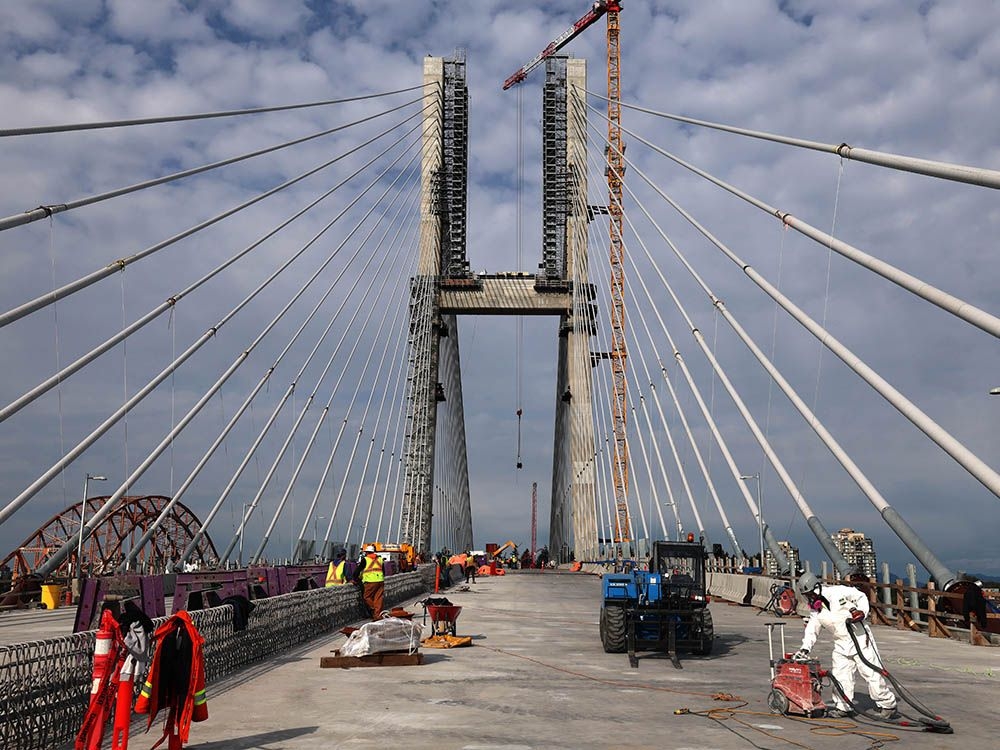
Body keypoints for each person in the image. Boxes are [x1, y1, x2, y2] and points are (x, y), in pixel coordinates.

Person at [792, 572, 898, 720]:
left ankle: (888, 705)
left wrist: (861, 611)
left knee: (871, 673)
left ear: (816, 588)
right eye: (807, 595)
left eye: (810, 594)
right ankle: (843, 706)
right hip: (841, 644)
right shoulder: (816, 611)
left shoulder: (838, 591)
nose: (810, 598)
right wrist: (805, 648)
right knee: (841, 676)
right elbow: (812, 630)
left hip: (860, 639)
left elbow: (860, 596)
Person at [354, 545, 385, 620]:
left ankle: (374, 609)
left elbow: (358, 570)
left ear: (367, 552)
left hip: (370, 581)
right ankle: (377, 615)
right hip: (380, 580)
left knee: (366, 597)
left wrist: (355, 578)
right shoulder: (380, 559)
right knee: (378, 598)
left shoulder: (365, 559)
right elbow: (383, 571)